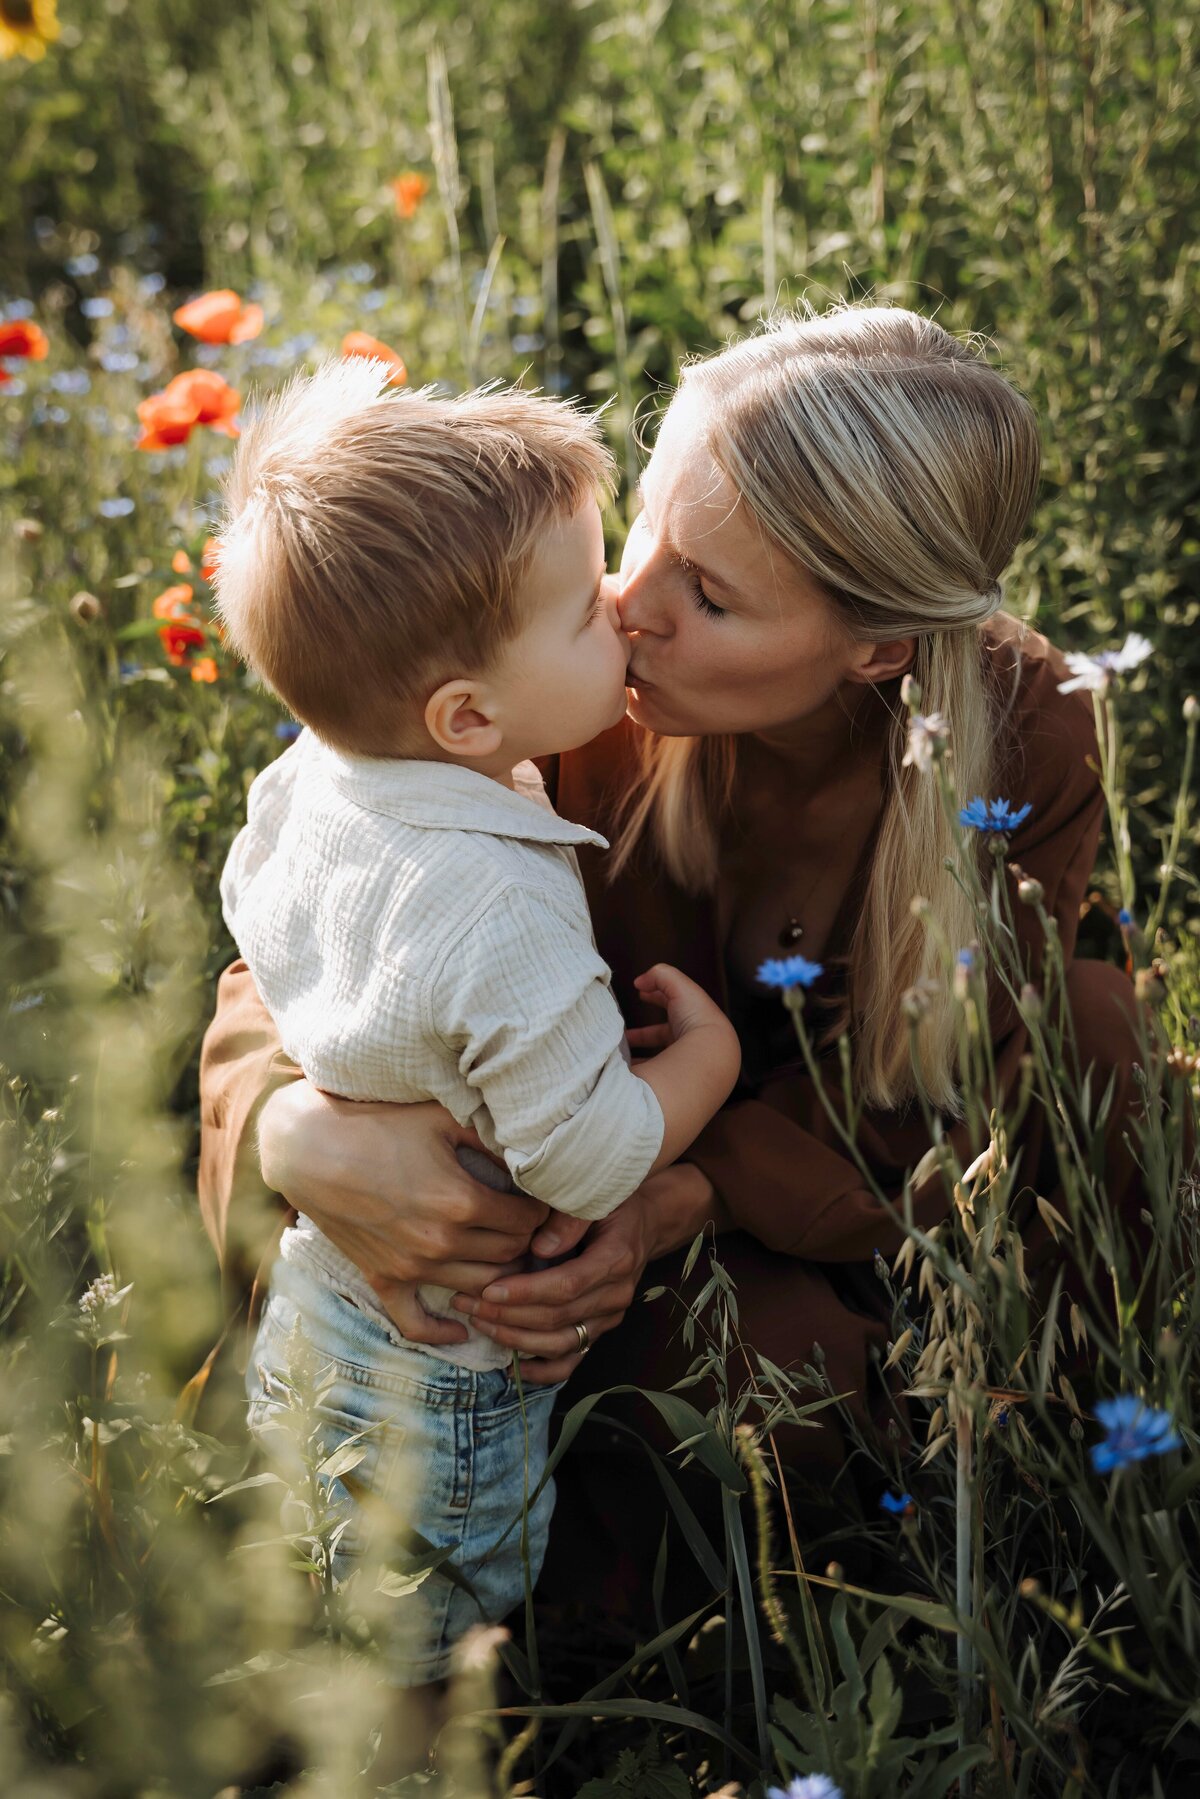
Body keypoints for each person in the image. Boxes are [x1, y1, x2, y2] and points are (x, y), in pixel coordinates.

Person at [199, 302, 1145, 1616]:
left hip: (808, 1203)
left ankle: (1043, 1503)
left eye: (707, 592)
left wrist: (669, 1200)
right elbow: (316, 919)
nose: (629, 603)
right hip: (524, 1193)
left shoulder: (1022, 739)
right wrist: (298, 1134)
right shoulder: (552, 675)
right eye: (644, 522)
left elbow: (945, 1082)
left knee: (770, 1369)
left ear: (876, 647)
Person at [209, 359, 741, 1699]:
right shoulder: (495, 907)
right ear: (468, 716)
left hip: (324, 1301)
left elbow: (253, 917)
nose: (621, 610)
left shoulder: (320, 776)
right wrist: (710, 1064)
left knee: (320, 1572)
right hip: (457, 1355)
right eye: (586, 607)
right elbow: (587, 1157)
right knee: (439, 1648)